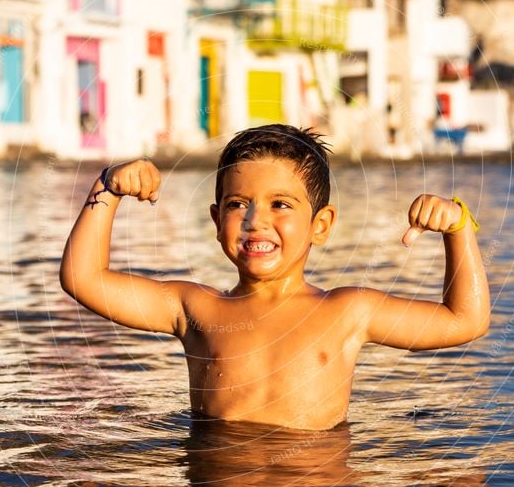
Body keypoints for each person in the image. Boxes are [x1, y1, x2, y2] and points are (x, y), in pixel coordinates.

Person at [59, 125, 490, 431]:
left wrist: (458, 229)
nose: (255, 221)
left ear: (321, 225)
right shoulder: (195, 308)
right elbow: (83, 278)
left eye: (280, 204)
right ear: (216, 219)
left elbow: (463, 321)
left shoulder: (347, 312)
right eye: (236, 204)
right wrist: (108, 189)